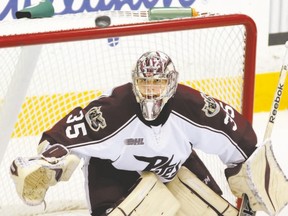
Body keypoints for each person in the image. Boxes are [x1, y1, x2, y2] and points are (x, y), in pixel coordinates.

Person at [10, 51, 288, 216]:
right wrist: (49, 163)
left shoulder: (190, 106)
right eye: (145, 82)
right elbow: (62, 139)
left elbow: (233, 133)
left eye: (158, 82)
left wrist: (250, 168)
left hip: (175, 167)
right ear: (135, 81)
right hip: (114, 173)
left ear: (171, 82)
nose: (151, 89)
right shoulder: (113, 112)